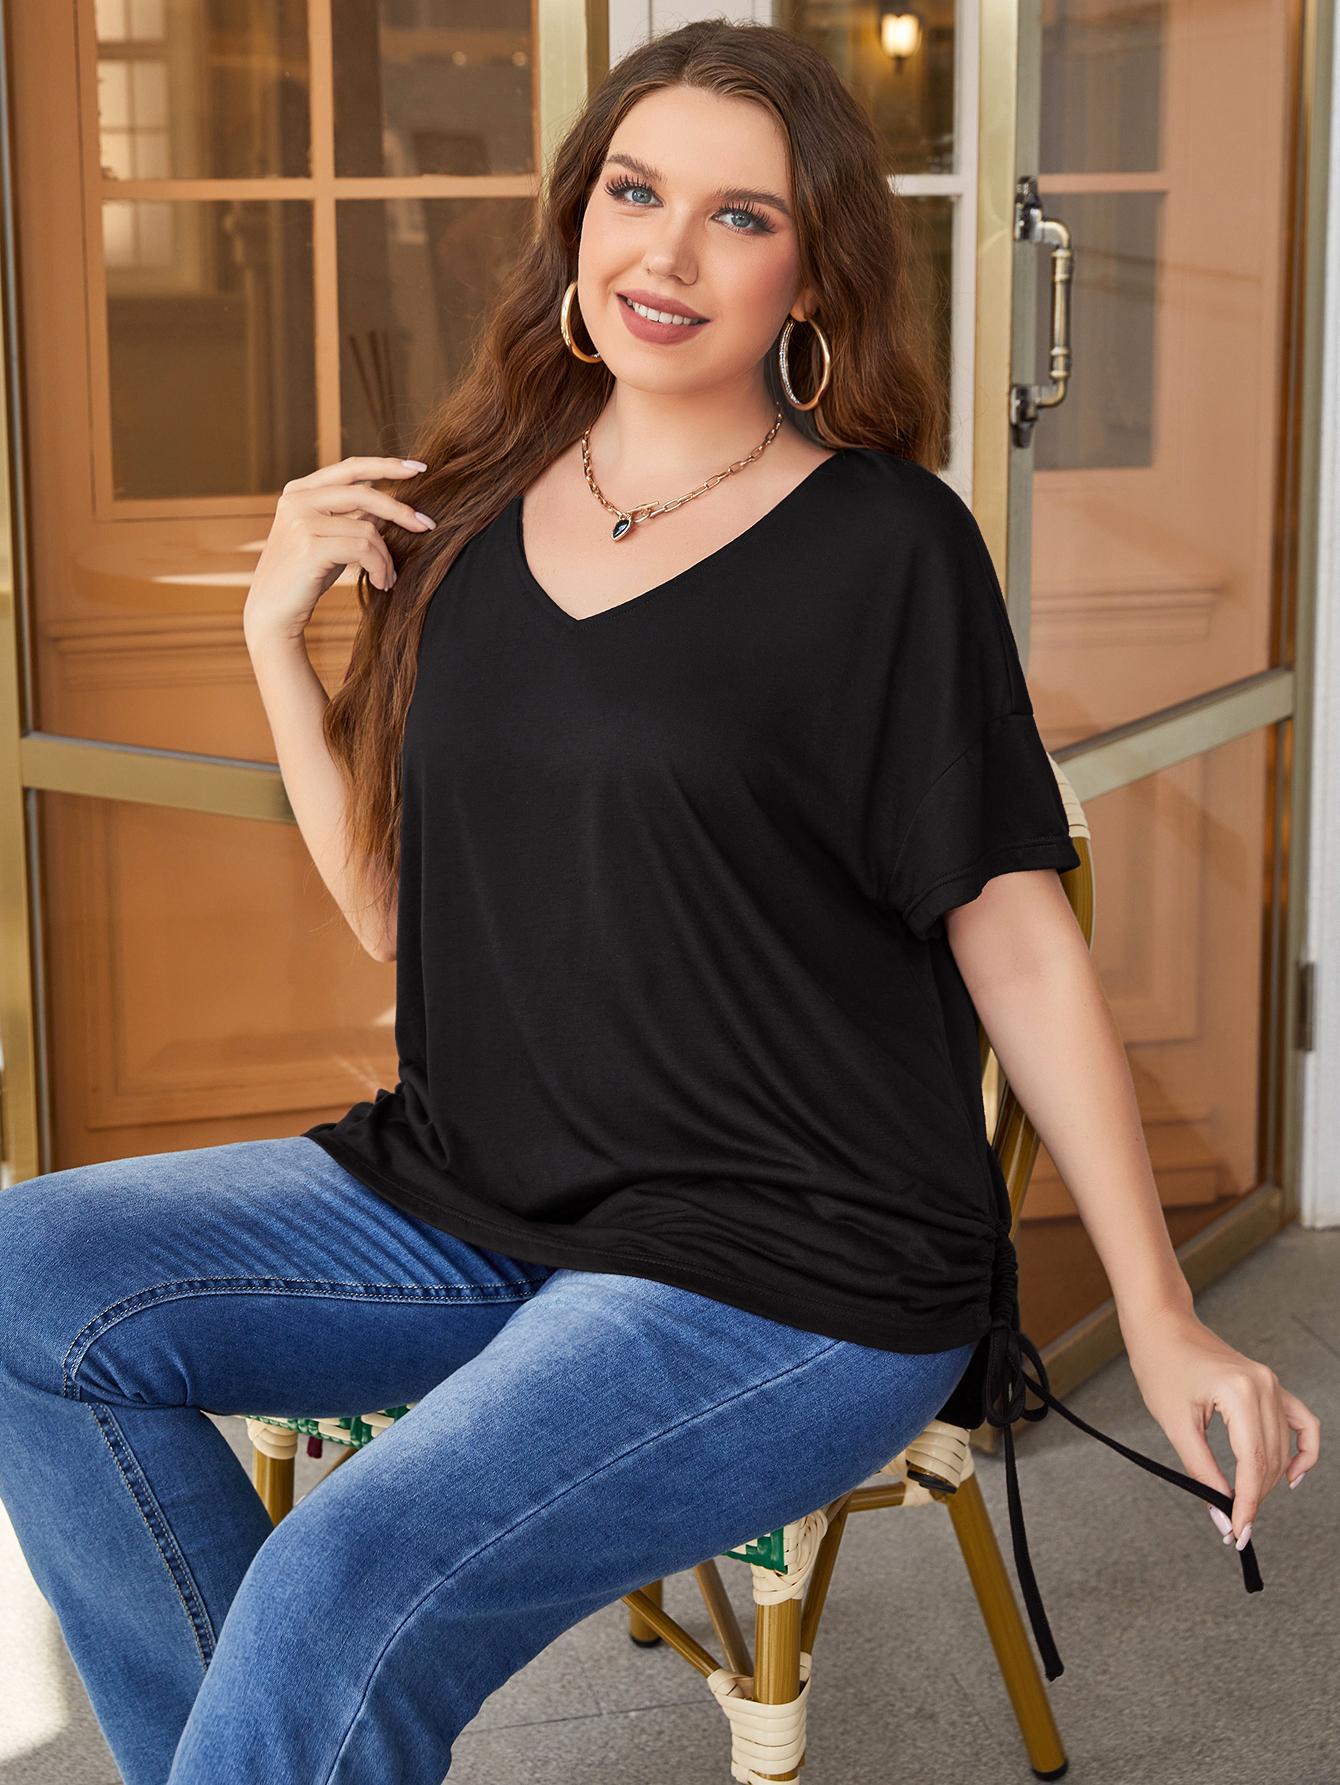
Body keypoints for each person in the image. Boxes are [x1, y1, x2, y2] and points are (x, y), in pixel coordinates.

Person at [0, 19, 1319, 1785]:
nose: (667, 254)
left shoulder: (889, 548)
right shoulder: (472, 519)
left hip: (795, 1264)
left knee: (339, 1576)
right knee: (28, 1280)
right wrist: (268, 644)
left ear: (812, 276)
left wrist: (1158, 1312)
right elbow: (401, 917)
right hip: (479, 1197)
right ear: (577, 217)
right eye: (635, 192)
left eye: (739, 217)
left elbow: (1015, 934)